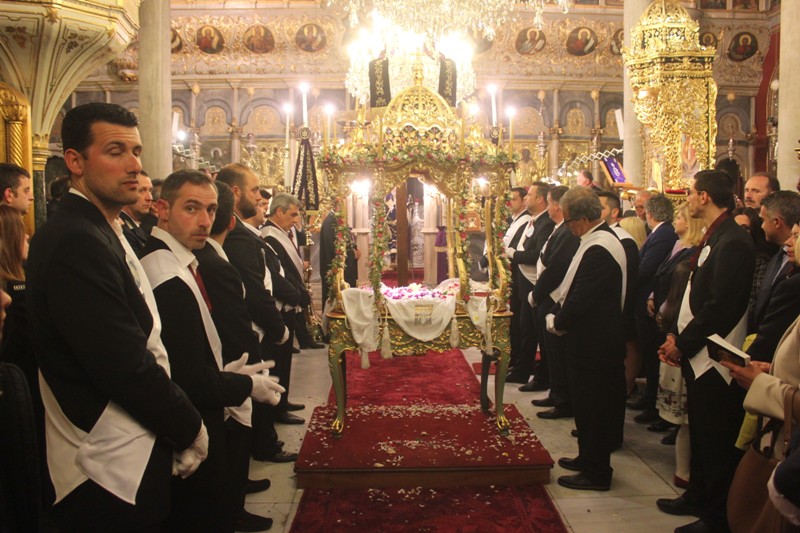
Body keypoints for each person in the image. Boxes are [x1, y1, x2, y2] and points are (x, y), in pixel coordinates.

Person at [26, 102, 205, 531]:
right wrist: (189, 425)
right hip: (100, 460)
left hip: (127, 443)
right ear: (76, 162)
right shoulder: (75, 239)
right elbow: (123, 364)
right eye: (115, 151)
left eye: (136, 151)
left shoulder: (102, 227)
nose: (133, 165)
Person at [140, 169, 283, 532]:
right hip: (191, 418)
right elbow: (187, 376)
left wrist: (227, 373)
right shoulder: (166, 275)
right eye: (191, 208)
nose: (204, 221)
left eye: (211, 210)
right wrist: (245, 385)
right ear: (162, 209)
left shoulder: (181, 259)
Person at [657, 169, 755, 533]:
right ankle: (696, 495)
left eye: (691, 192)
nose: (687, 199)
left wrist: (683, 343)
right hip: (696, 350)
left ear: (705, 197)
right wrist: (676, 336)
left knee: (715, 439)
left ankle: (716, 516)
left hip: (716, 355)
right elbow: (695, 294)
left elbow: (720, 306)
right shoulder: (717, 235)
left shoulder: (734, 241)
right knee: (699, 431)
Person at [193, 181, 274, 532]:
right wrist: (253, 366)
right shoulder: (214, 262)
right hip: (231, 364)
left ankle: (234, 496)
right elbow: (235, 321)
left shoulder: (209, 257)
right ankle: (233, 509)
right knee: (236, 435)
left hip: (225, 363)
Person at [215, 164, 300, 456]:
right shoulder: (238, 236)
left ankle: (264, 440)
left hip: (259, 323)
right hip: (252, 326)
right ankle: (263, 445)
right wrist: (277, 327)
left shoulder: (242, 233)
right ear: (235, 192)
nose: (259, 197)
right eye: (254, 190)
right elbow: (254, 288)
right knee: (253, 388)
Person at [547, 187, 627, 491]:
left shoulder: (600, 248)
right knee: (585, 407)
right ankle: (587, 457)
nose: (567, 227)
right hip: (590, 342)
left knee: (594, 409)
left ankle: (596, 472)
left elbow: (582, 298)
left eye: (568, 221)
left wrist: (557, 321)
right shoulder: (595, 240)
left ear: (581, 220)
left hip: (595, 345)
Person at [651, 203, 704, 486]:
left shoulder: (694, 254)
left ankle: (687, 473)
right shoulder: (678, 246)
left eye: (680, 217)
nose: (675, 221)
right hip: (672, 323)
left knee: (690, 416)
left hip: (685, 333)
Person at [262, 192, 314, 422]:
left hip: (290, 303)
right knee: (278, 360)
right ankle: (277, 407)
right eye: (292, 215)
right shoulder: (270, 236)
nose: (296, 220)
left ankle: (283, 399)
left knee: (285, 359)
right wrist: (298, 295)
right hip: (281, 305)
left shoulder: (281, 233)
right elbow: (280, 274)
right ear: (279, 211)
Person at [530, 186, 580, 418]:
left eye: (549, 202)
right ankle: (555, 392)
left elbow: (557, 267)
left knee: (557, 352)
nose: (548, 207)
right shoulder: (560, 229)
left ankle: (562, 400)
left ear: (557, 205)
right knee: (549, 350)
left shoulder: (567, 233)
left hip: (555, 296)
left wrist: (538, 294)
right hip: (548, 295)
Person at [631, 195, 679, 425]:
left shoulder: (664, 234)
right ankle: (649, 398)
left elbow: (647, 269)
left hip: (651, 304)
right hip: (648, 301)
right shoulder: (659, 233)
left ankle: (653, 403)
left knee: (653, 356)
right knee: (649, 355)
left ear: (649, 213)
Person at [506, 182, 554, 388]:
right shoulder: (534, 220)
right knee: (525, 327)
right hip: (523, 281)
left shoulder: (546, 223)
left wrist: (513, 254)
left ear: (541, 199)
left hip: (534, 282)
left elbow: (536, 255)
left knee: (534, 330)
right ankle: (521, 368)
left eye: (530, 195)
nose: (526, 198)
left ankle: (538, 374)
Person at [747, 191, 800, 361]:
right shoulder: (777, 256)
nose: (761, 226)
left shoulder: (794, 276)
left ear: (777, 222)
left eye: (763, 220)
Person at [319, 210, 360, 307]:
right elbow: (334, 250)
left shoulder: (335, 220)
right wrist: (352, 255)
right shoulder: (331, 222)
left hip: (343, 270)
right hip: (337, 273)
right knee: (337, 303)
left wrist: (353, 250)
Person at [119, 173, 154, 257]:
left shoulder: (134, 226)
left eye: (150, 191)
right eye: (141, 190)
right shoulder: (122, 230)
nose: (150, 198)